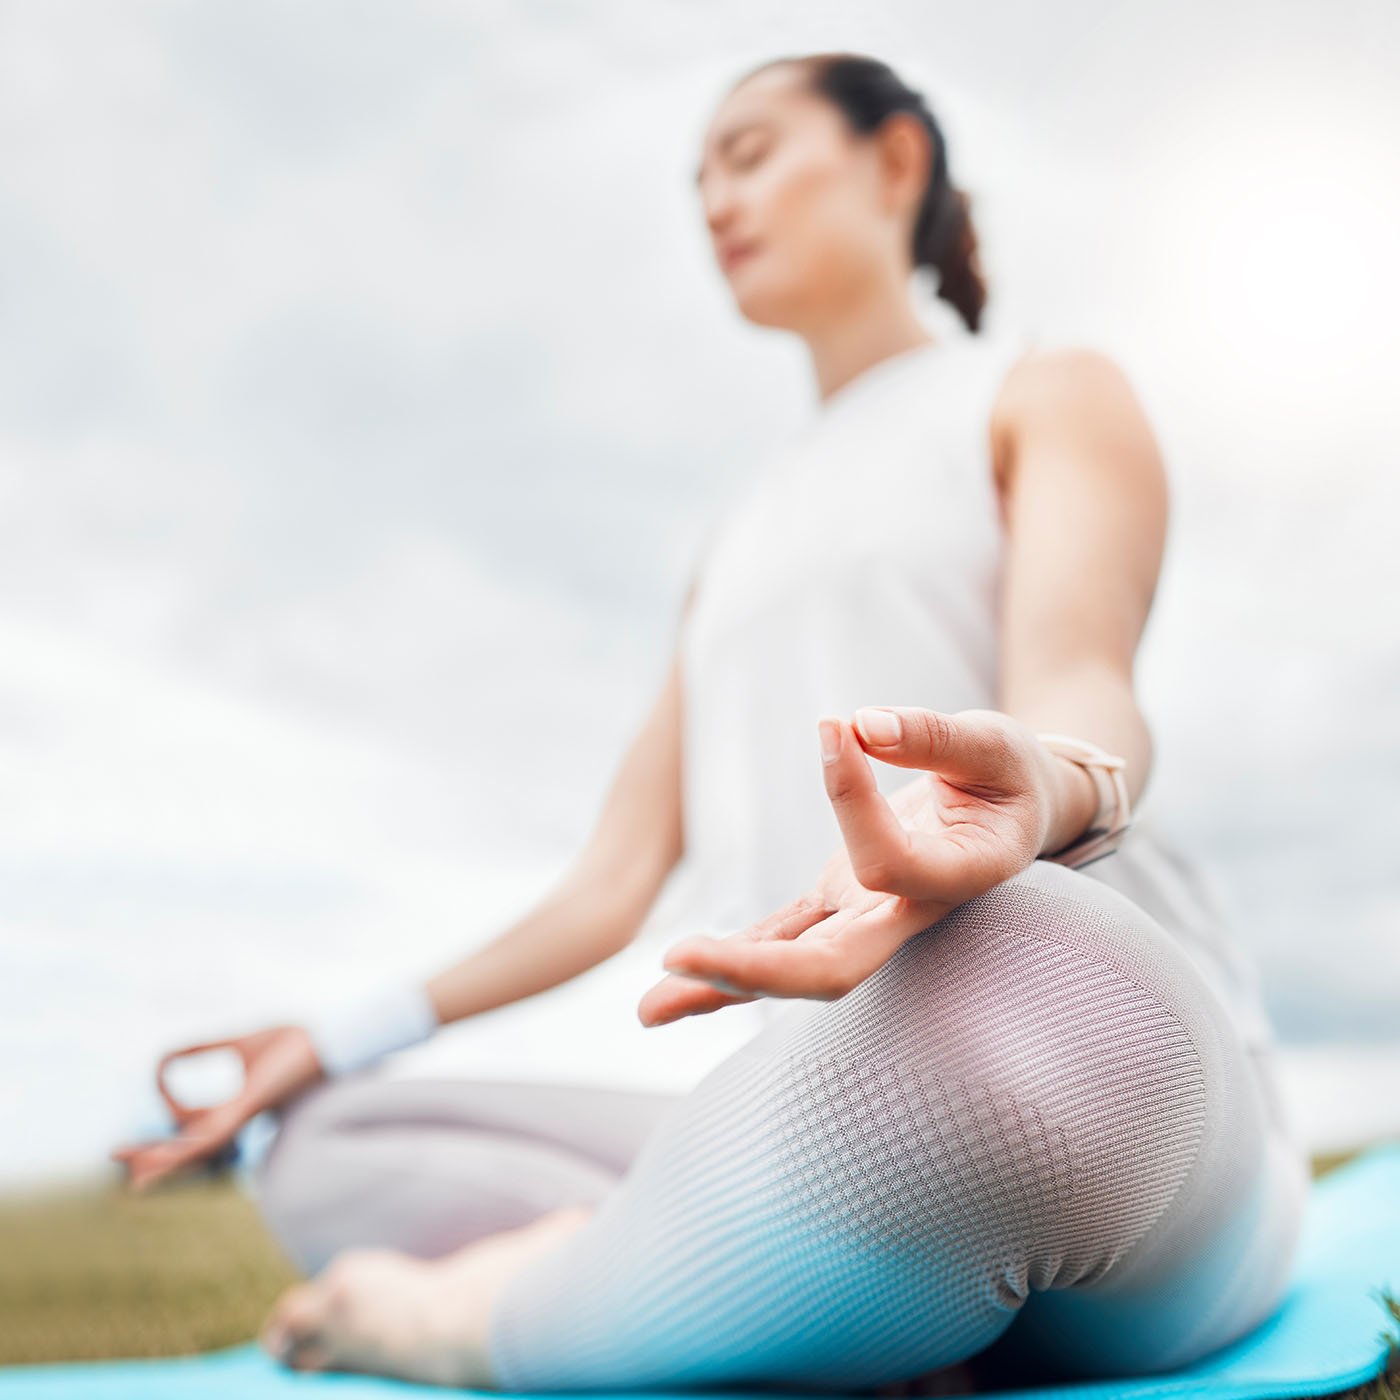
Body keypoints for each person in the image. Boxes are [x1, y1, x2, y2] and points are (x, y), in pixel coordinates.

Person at [111, 50, 1309, 1392]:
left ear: (894, 162)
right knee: (332, 1140)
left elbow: (1081, 677)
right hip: (823, 1102)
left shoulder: (1041, 390)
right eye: (696, 181)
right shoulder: (733, 544)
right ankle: (790, 1270)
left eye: (750, 153)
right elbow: (613, 880)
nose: (714, 202)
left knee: (1002, 982)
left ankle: (473, 1318)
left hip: (1083, 1085)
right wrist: (329, 1038)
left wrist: (1049, 785)